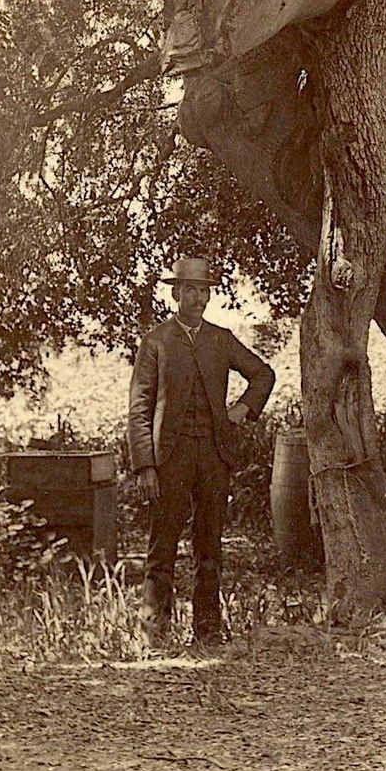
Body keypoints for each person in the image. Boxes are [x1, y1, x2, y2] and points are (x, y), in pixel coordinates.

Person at [127, 254, 275, 647]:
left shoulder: (220, 339)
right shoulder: (156, 341)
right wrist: (145, 466)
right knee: (162, 548)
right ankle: (154, 636)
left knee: (209, 546)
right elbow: (139, 407)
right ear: (175, 294)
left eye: (204, 291)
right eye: (190, 290)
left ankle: (207, 632)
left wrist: (242, 409)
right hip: (169, 458)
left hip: (213, 456)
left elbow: (263, 374)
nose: (198, 298)